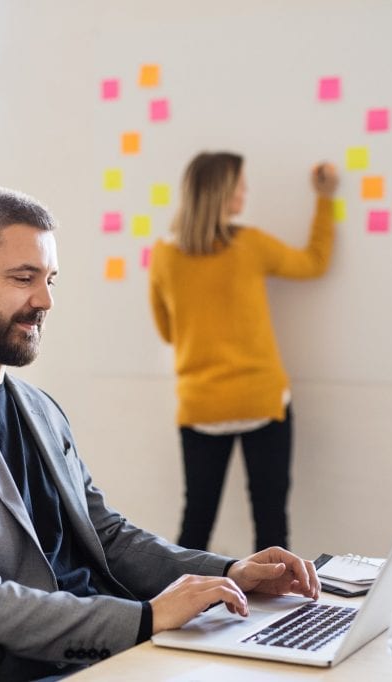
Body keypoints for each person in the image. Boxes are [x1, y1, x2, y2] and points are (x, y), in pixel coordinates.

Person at [0, 187, 321, 681]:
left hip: (106, 653)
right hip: (31, 668)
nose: (45, 300)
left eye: (50, 279)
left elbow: (106, 536)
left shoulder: (39, 407)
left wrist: (228, 572)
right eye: (23, 278)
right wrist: (145, 618)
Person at [148, 152, 339, 553]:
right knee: (272, 530)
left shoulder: (164, 255)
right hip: (260, 399)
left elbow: (167, 332)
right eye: (240, 185)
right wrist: (325, 199)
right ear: (221, 193)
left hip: (201, 405)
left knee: (195, 526)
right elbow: (314, 262)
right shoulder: (250, 244)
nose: (246, 192)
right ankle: (277, 597)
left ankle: (183, 595)